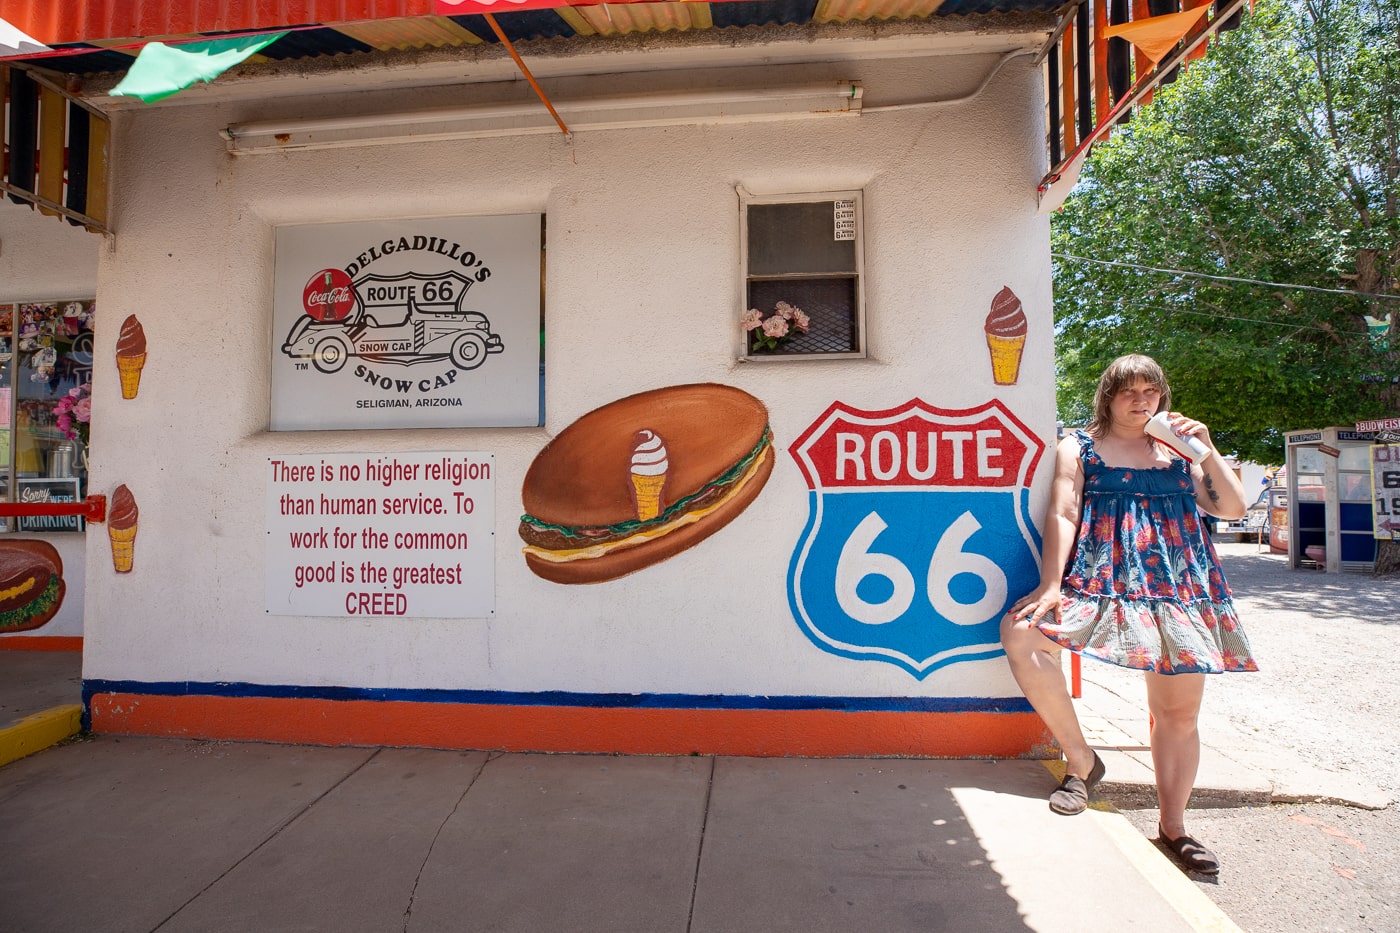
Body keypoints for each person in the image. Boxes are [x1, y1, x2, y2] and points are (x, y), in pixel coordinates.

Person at [1001, 354, 1258, 875]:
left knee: (1178, 714)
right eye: (1129, 392)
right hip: (1101, 581)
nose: (1141, 401)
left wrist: (1205, 450)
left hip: (1178, 588)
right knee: (1022, 634)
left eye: (1151, 392)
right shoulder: (1080, 447)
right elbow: (1064, 510)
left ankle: (1174, 828)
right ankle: (1081, 761)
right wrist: (1051, 583)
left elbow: (1232, 509)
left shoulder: (1180, 450)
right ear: (1108, 397)